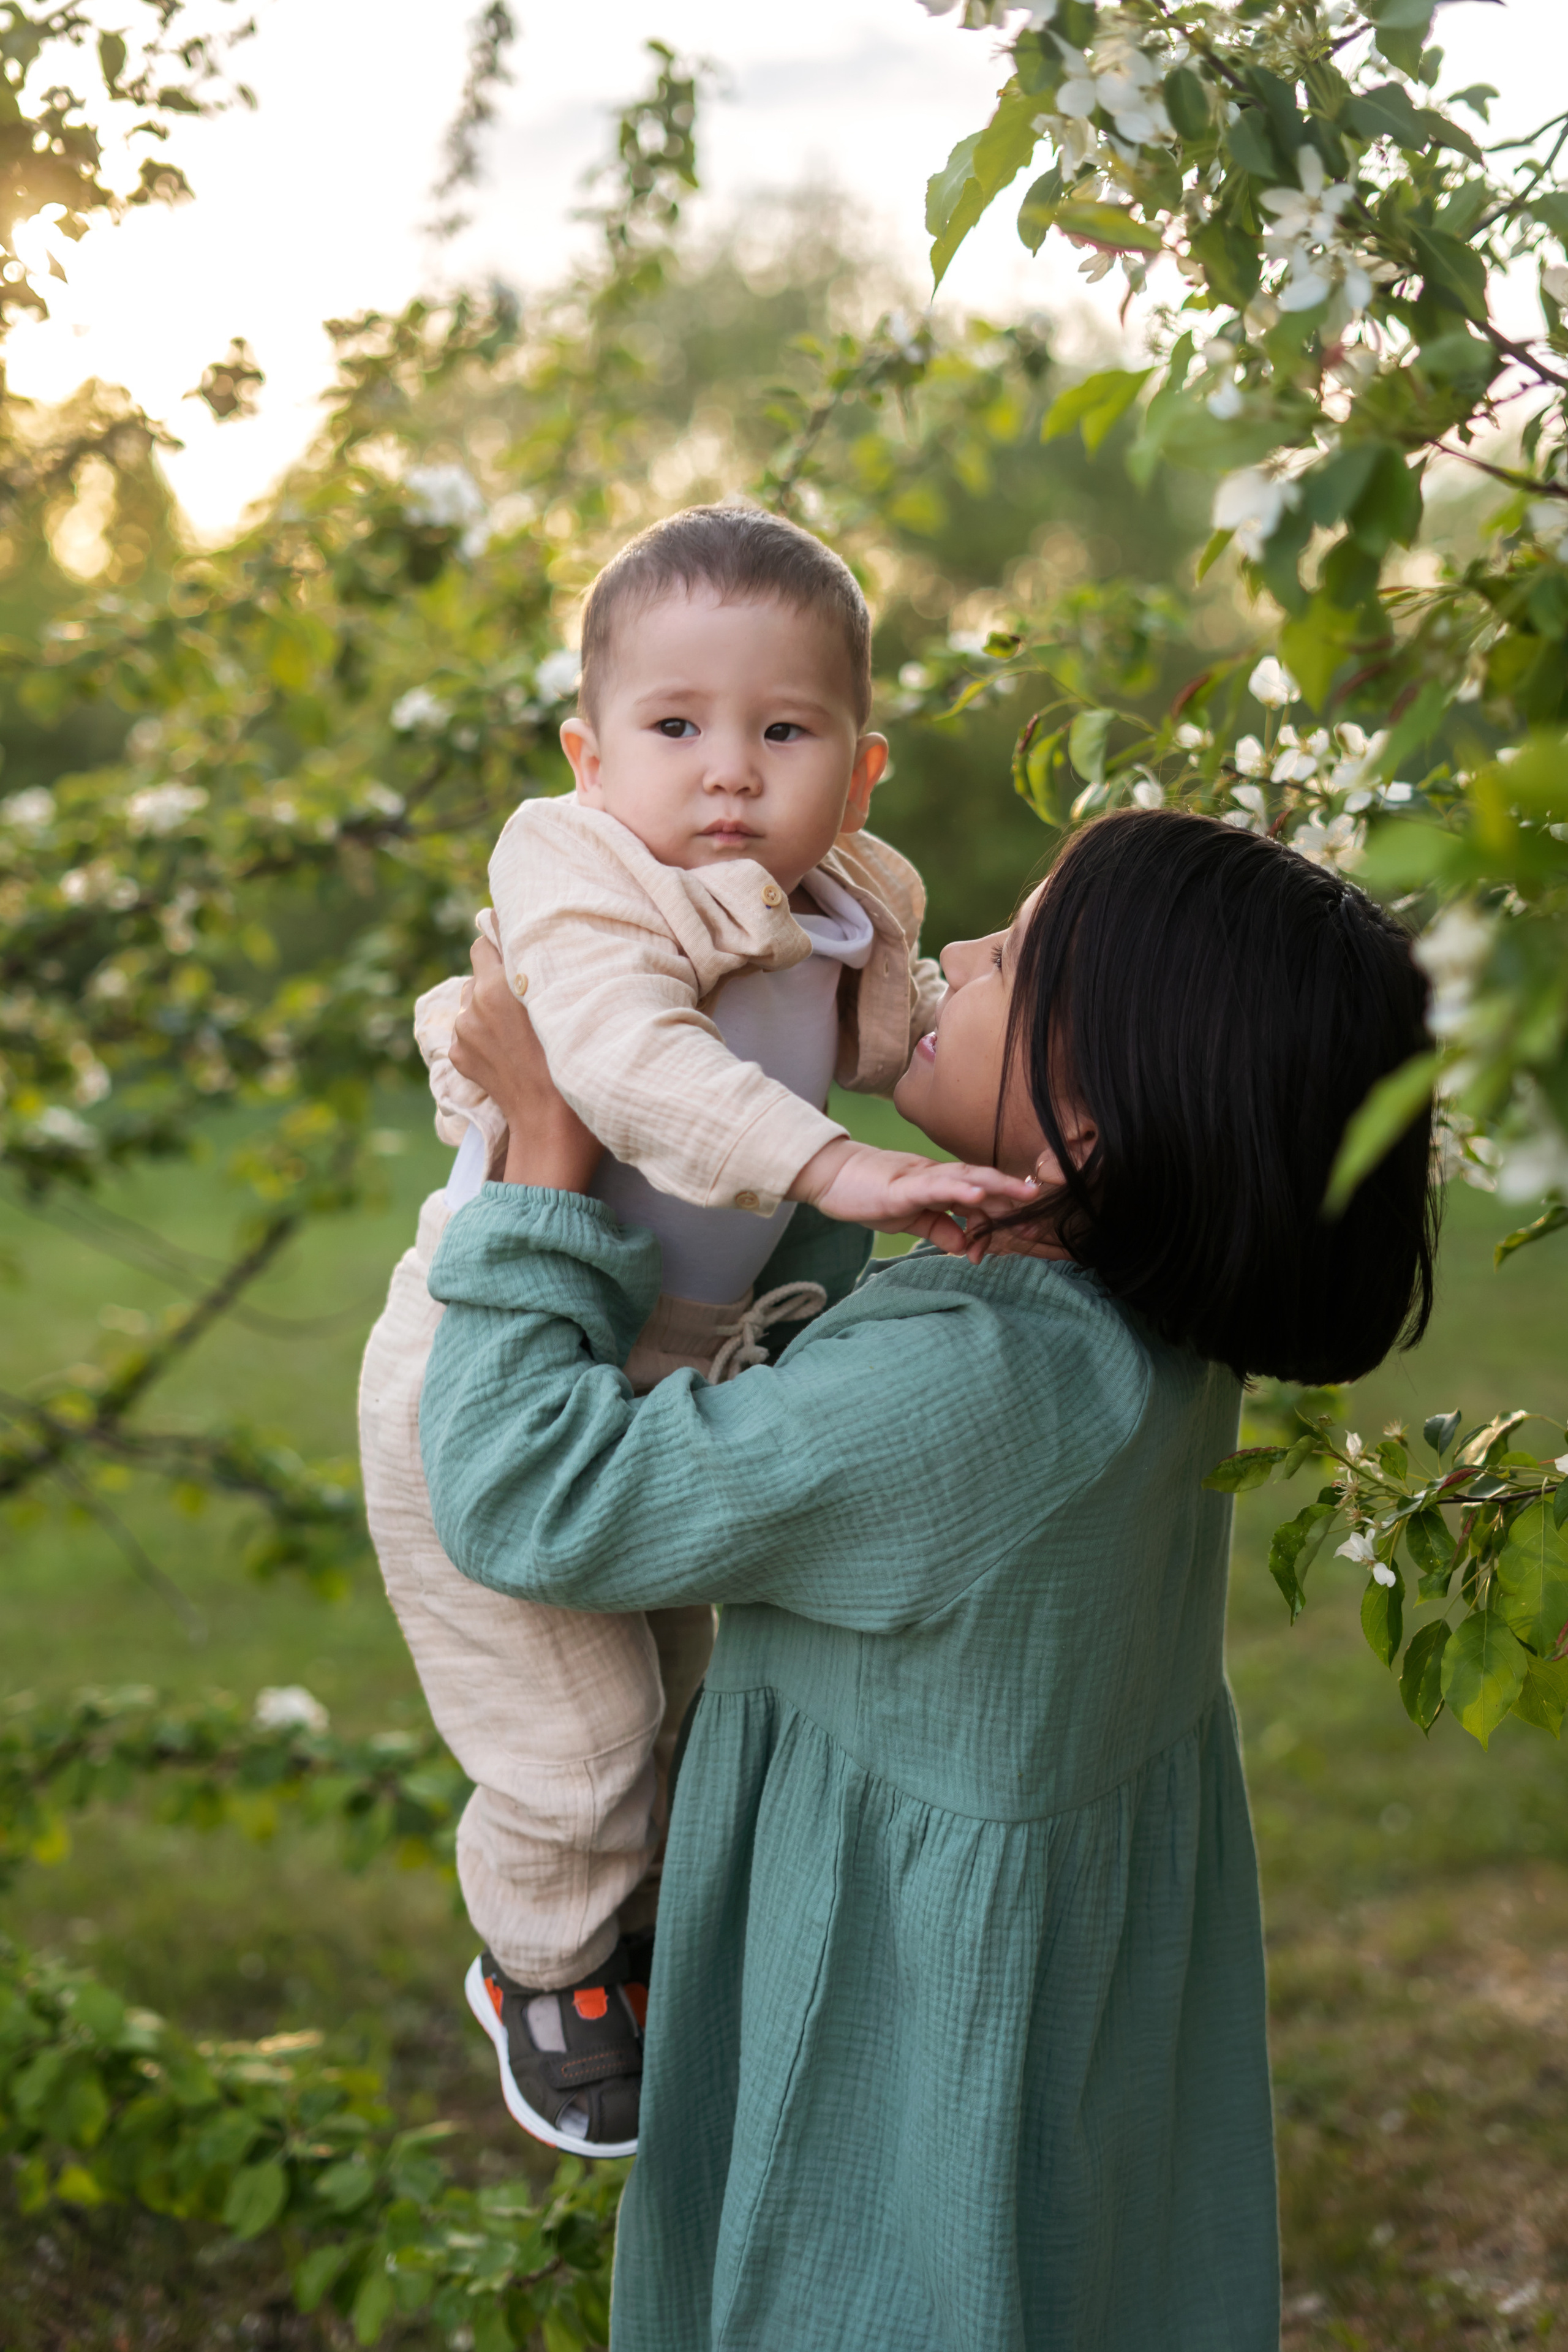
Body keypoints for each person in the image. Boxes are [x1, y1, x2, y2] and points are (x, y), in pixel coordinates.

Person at [420, 805, 1436, 2351]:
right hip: (1047, 2008)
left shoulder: (973, 1393)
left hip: (899, 2047)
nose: (954, 952)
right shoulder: (1126, 1332)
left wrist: (544, 1163)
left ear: (1086, 1133)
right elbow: (807, 1309)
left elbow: (527, 1496)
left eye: (1011, 954)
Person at [357, 505, 1031, 2157]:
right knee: (576, 1745)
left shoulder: (850, 895)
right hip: (488, 1361)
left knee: (665, 1701)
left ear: (859, 772)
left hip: (668, 1373)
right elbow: (623, 1068)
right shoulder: (573, 869)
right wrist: (837, 1165)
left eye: (784, 731)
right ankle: (543, 1968)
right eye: (676, 728)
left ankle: (635, 1933)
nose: (729, 773)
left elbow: (897, 1034)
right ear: (591, 756)